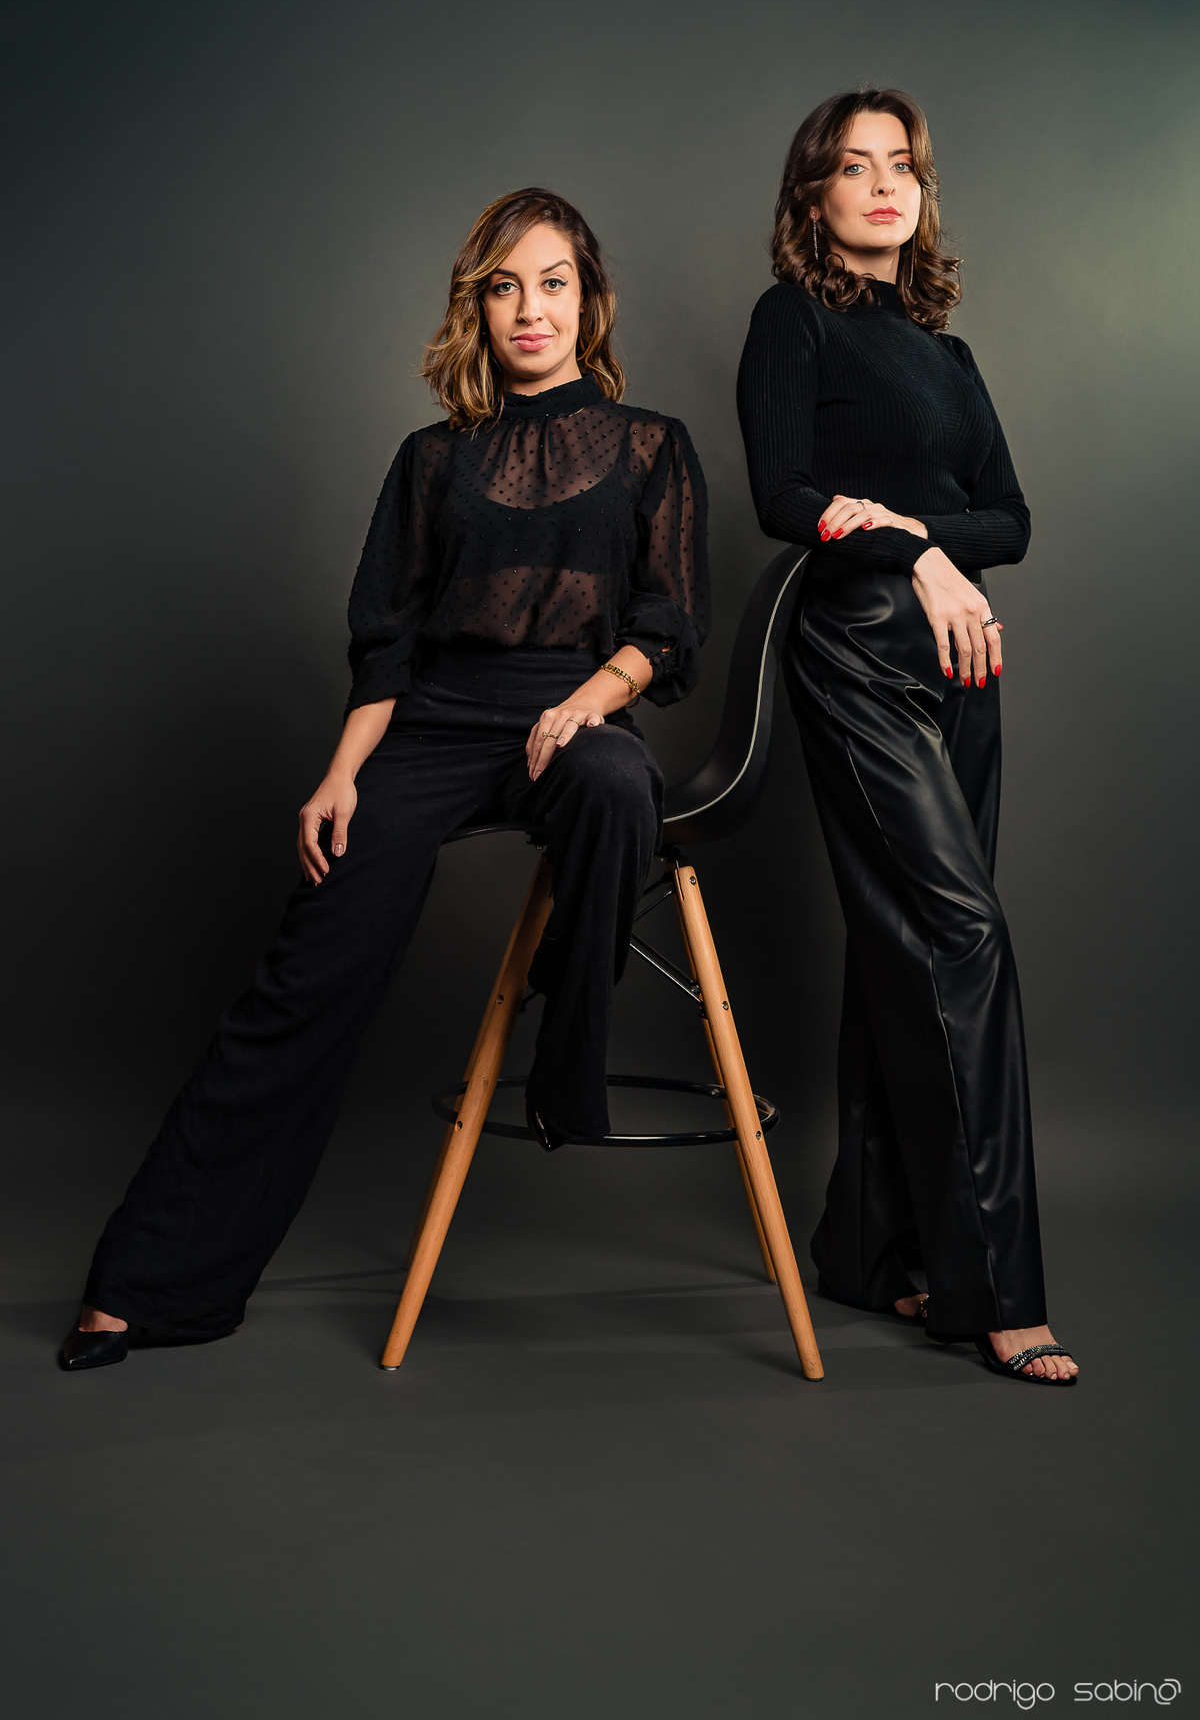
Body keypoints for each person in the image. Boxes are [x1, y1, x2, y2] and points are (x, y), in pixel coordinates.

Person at [62, 188, 710, 1372]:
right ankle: (150, 1282)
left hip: (574, 706)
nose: (530, 308)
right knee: (301, 978)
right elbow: (389, 643)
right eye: (505, 286)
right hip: (434, 723)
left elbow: (668, 627)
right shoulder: (432, 458)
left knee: (618, 785)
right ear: (478, 306)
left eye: (554, 282)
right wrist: (339, 775)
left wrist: (585, 701)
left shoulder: (652, 445)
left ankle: (568, 1053)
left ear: (591, 300)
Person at [737, 90, 1077, 1385]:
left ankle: (871, 1245)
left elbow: (1013, 517)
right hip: (858, 654)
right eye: (854, 165)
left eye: (903, 166)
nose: (885, 184)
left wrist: (926, 540)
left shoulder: (950, 354)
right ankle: (995, 1286)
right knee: (961, 933)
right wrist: (917, 553)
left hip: (962, 662)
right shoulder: (793, 321)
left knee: (904, 941)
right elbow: (784, 494)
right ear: (813, 194)